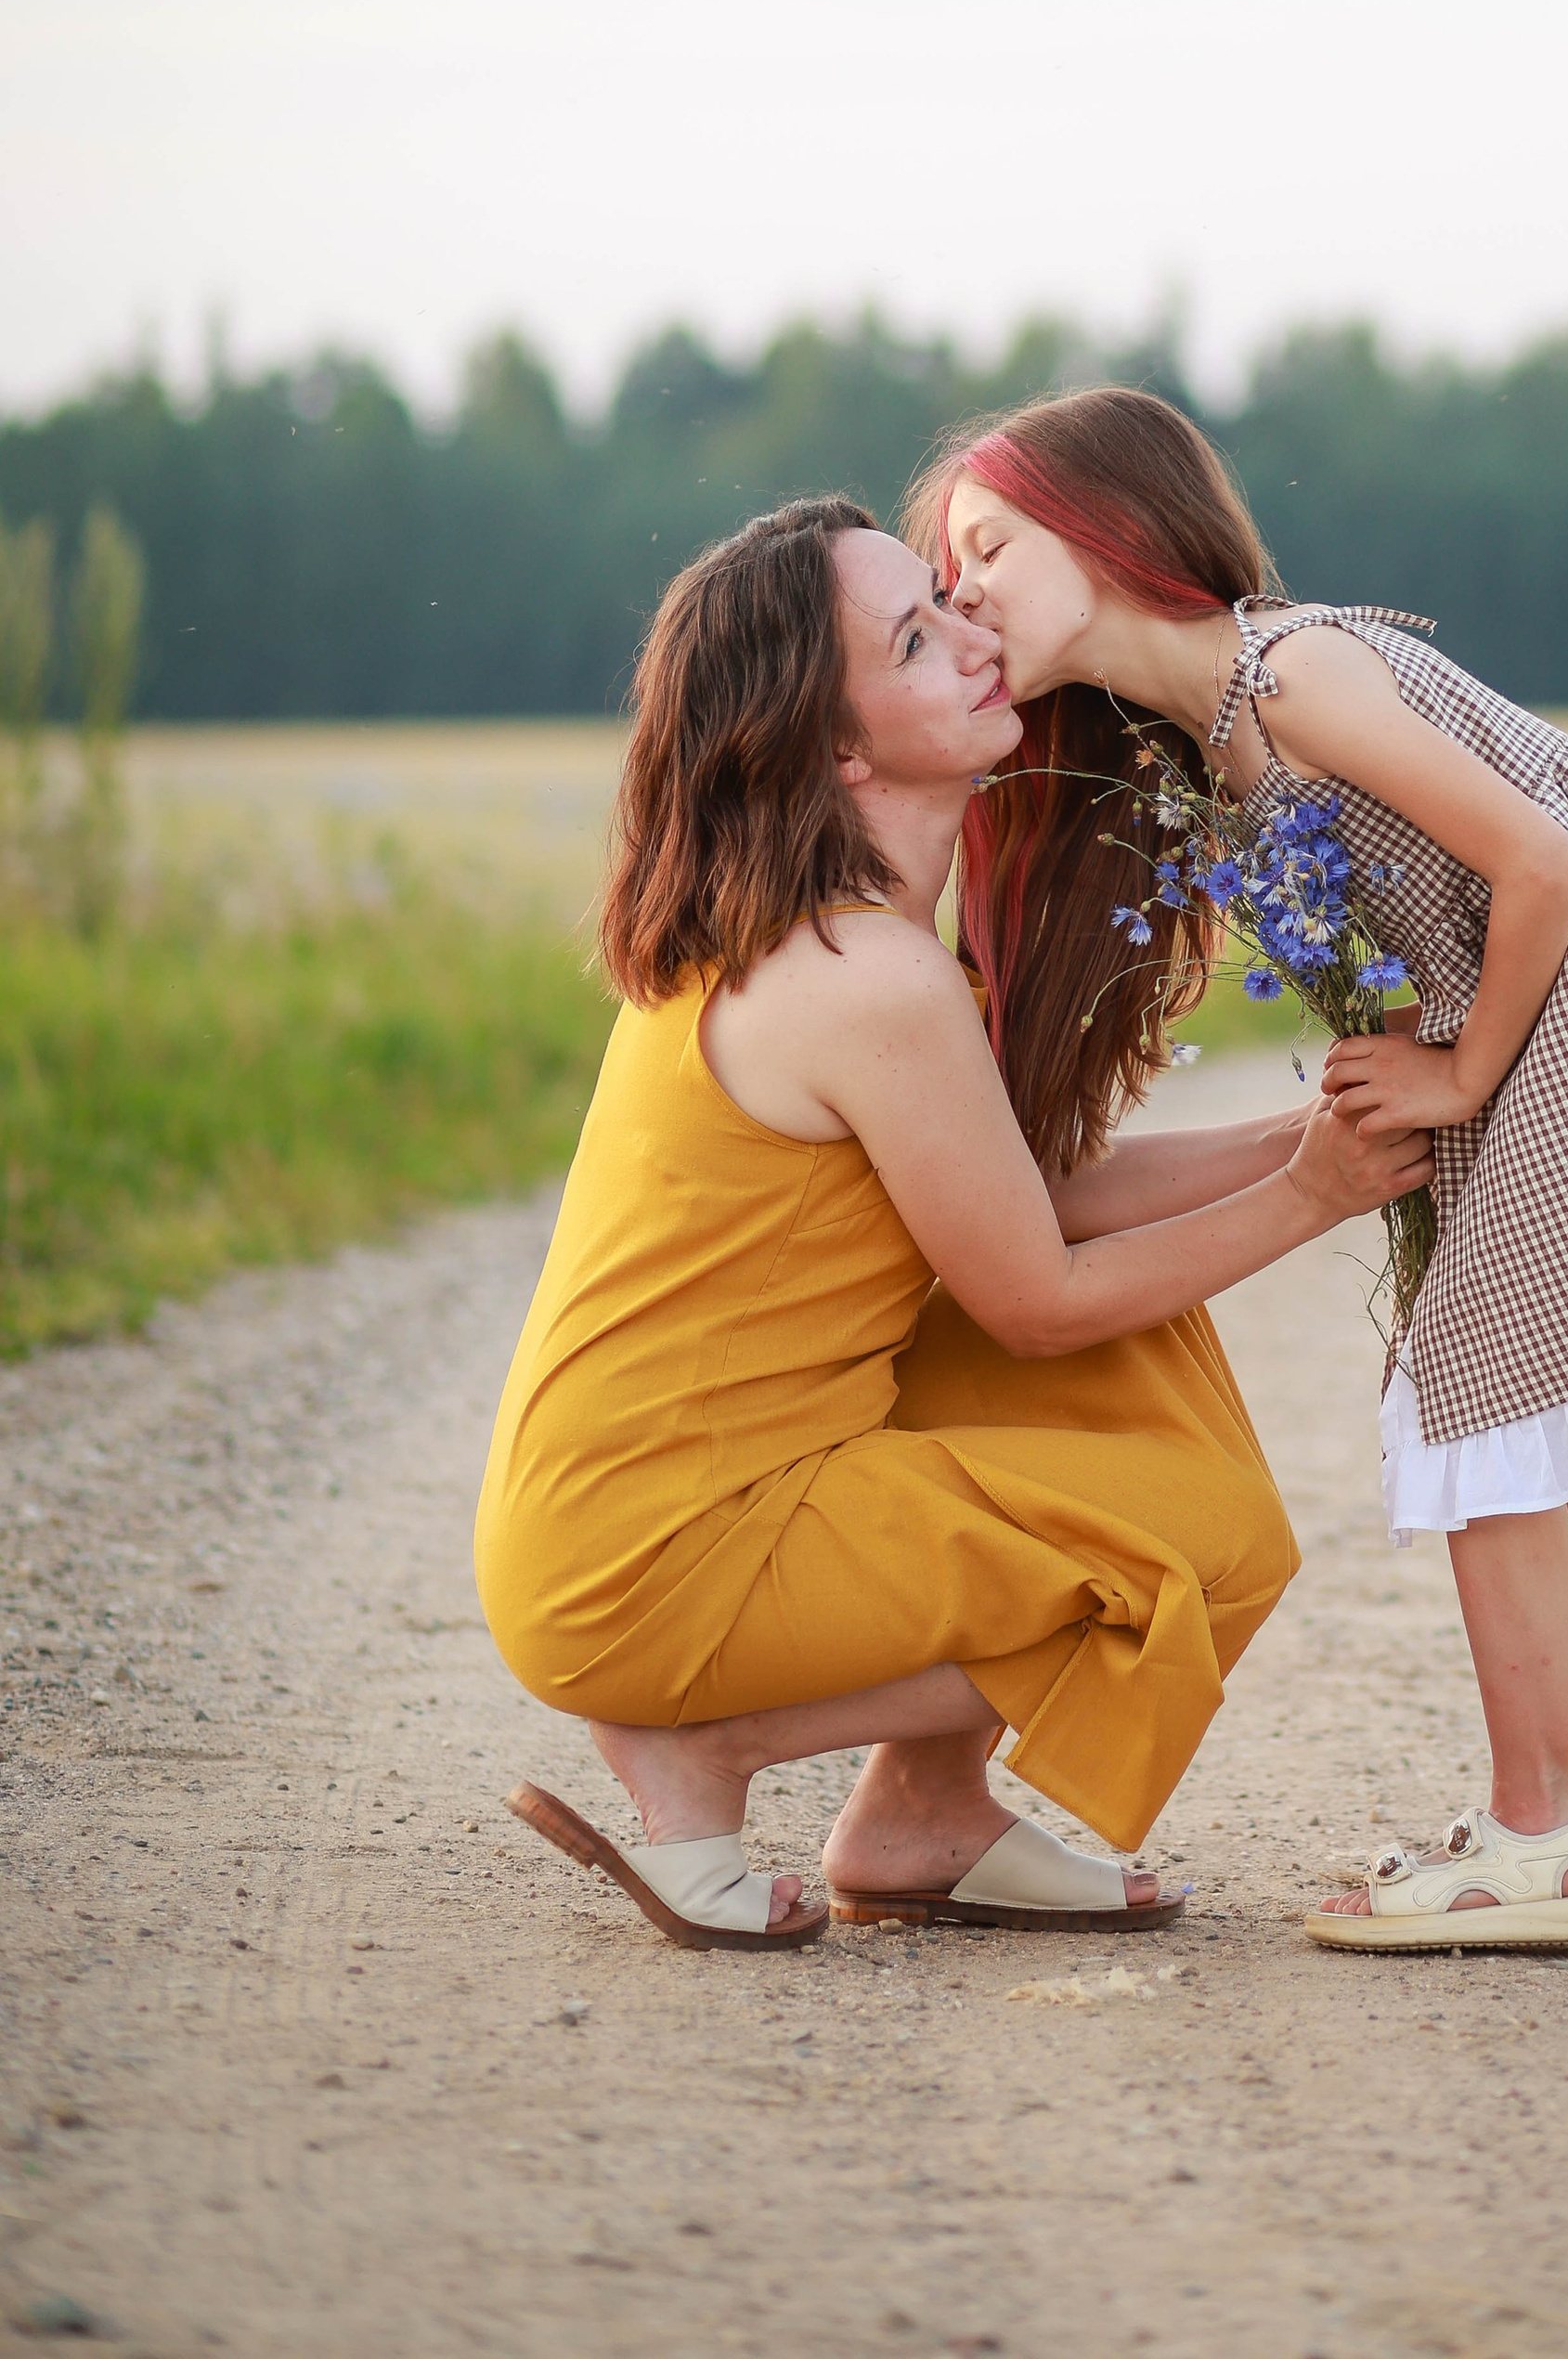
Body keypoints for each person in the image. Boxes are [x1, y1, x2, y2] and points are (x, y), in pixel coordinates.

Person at [915, 389, 1568, 1954]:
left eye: (988, 544)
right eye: (944, 567)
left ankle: (1542, 1826)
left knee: (1481, 1386)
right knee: (1510, 1388)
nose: (964, 587)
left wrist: (1459, 1072)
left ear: (1110, 525)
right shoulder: (1200, 740)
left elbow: (1542, 858)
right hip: (1545, 988)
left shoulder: (1294, 672)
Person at [473, 496, 1431, 1951]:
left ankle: (924, 1815)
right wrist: (1315, 1197)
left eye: (942, 599)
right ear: (838, 750)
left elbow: (1028, 1203)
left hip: (637, 1510)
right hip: (658, 1554)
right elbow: (1035, 1295)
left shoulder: (823, 936)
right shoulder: (864, 976)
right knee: (1205, 1545)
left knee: (1139, 1374)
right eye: (918, 640)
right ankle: (706, 1752)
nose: (975, 637)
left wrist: (1315, 1133)